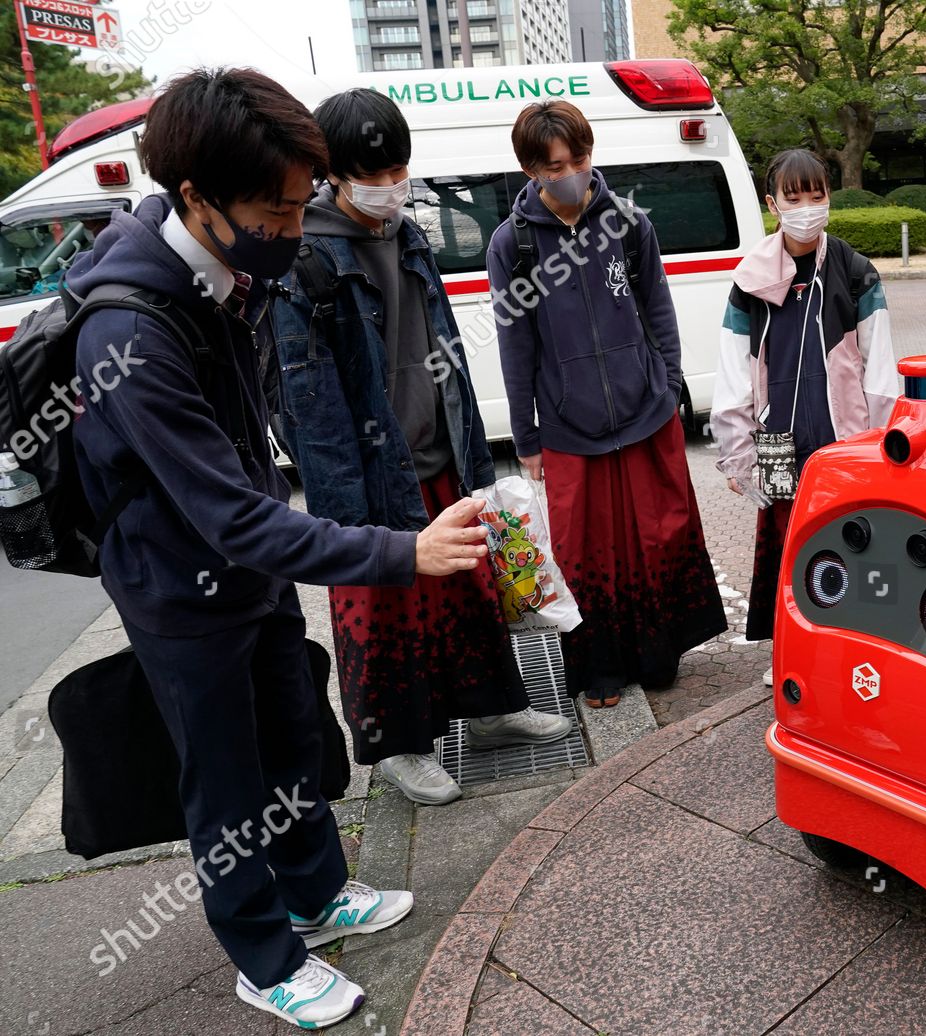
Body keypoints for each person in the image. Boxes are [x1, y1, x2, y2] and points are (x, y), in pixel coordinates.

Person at [69, 68, 493, 1030]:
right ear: (195, 199)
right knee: (223, 778)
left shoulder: (233, 277)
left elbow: (262, 456)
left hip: (252, 577)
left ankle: (315, 893)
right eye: (276, 210)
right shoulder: (126, 332)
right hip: (180, 590)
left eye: (304, 206)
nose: (295, 230)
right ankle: (262, 954)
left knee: (294, 732)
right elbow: (230, 515)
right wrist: (400, 550)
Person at [268, 88, 569, 808]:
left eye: (398, 167)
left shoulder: (406, 233)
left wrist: (469, 452)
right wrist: (346, 517)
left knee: (469, 595)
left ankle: (494, 712)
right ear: (332, 174)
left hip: (436, 455)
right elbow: (310, 407)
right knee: (383, 615)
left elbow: (446, 353)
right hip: (370, 475)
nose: (391, 185)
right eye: (374, 173)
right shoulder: (303, 258)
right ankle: (400, 748)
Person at [485, 100, 726, 708]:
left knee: (654, 537)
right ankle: (601, 670)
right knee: (584, 553)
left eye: (581, 158)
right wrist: (527, 438)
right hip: (568, 426)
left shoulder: (628, 222)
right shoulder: (511, 245)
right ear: (530, 169)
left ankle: (659, 655)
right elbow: (515, 347)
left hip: (645, 414)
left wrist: (669, 389)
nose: (574, 173)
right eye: (557, 165)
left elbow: (658, 310)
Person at [711, 149, 899, 685]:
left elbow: (880, 371)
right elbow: (733, 369)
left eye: (816, 195)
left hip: (846, 439)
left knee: (852, 541)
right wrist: (736, 454)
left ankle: (855, 648)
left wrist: (880, 445)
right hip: (777, 442)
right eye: (793, 198)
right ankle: (792, 654)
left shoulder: (856, 271)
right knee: (788, 547)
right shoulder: (749, 280)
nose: (807, 208)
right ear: (773, 205)